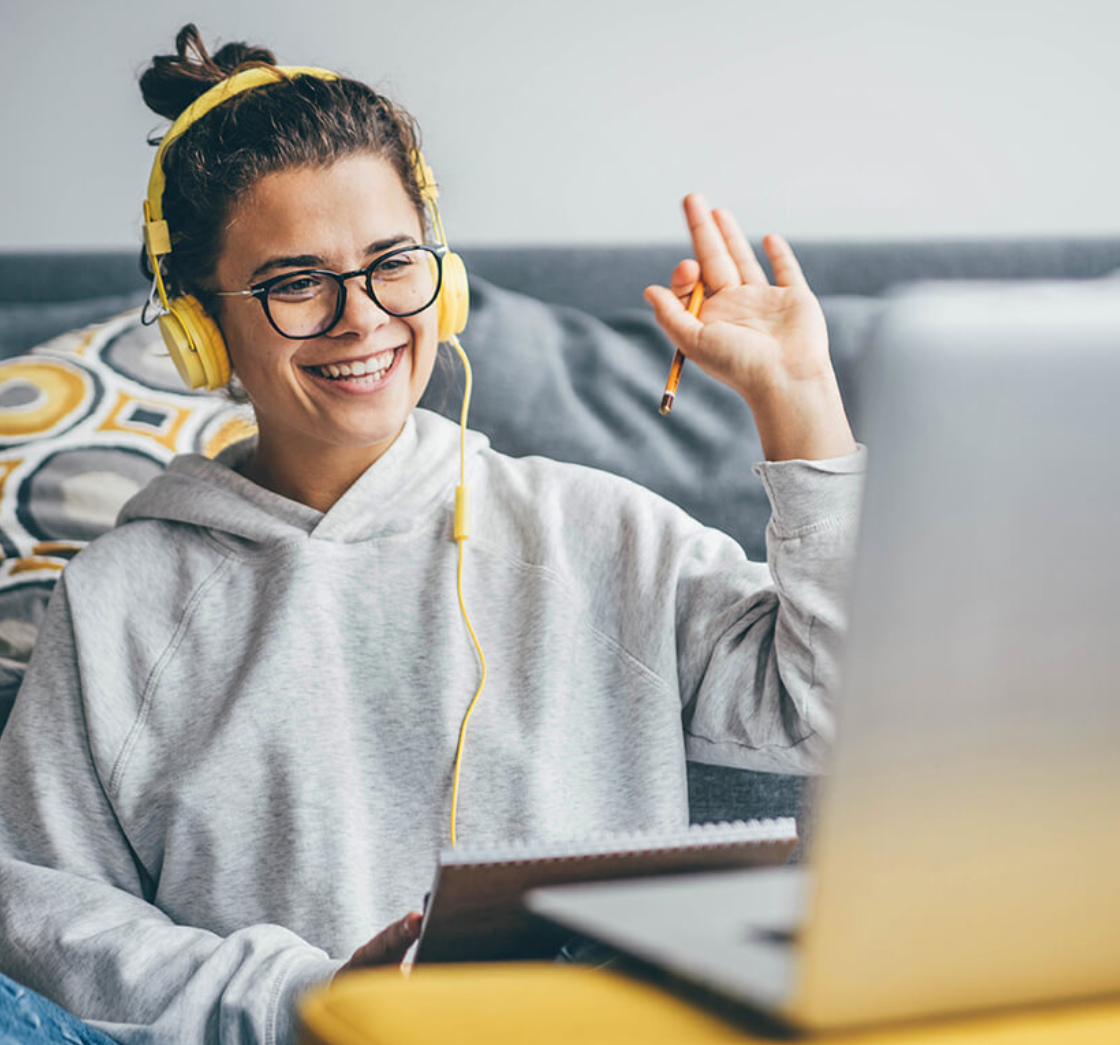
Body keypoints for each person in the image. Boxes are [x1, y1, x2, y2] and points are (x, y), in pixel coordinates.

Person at [0, 23, 863, 1045]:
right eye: (294, 283)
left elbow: (837, 710)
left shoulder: (600, 529)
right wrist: (308, 1002)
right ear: (200, 328)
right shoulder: (121, 597)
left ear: (442, 276)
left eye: (390, 263)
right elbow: (42, 913)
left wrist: (799, 397)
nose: (361, 318)